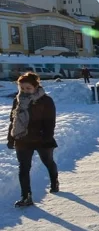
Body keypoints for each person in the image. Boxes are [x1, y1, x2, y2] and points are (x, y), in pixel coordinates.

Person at [7, 72, 59, 207]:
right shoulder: (17, 100)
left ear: (36, 87)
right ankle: (26, 197)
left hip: (41, 138)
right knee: (23, 168)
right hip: (22, 138)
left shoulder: (46, 100)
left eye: (28, 88)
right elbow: (13, 119)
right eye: (22, 88)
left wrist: (47, 138)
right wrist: (11, 137)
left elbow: (50, 122)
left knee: (47, 161)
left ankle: (54, 182)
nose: (24, 91)